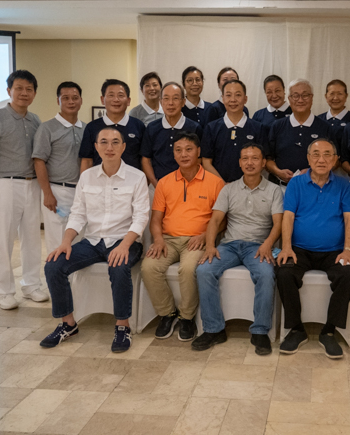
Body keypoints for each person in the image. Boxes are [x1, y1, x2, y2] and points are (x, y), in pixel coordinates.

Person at [40, 127, 149, 352]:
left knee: (118, 265)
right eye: (104, 142)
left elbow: (141, 217)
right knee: (54, 265)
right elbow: (78, 214)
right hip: (92, 241)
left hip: (125, 240)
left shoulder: (137, 177)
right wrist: (66, 241)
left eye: (115, 142)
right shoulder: (87, 177)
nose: (110, 147)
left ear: (123, 147)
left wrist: (125, 245)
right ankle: (67, 323)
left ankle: (122, 327)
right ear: (96, 147)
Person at [193, 143, 283, 355]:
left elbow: (279, 224)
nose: (249, 163)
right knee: (204, 270)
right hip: (230, 245)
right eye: (245, 158)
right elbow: (215, 221)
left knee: (266, 273)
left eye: (254, 158)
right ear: (240, 162)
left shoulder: (274, 190)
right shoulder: (229, 188)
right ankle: (214, 329)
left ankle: (260, 331)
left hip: (258, 246)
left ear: (263, 163)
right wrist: (210, 246)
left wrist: (267, 245)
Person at [277, 138, 350, 359]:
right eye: (316, 154)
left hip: (334, 251)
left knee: (348, 274)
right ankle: (296, 330)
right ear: (308, 158)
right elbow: (288, 217)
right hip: (299, 249)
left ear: (335, 159)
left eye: (327, 154)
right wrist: (285, 247)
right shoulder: (295, 183)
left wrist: (348, 250)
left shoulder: (344, 185)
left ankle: (329, 331)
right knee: (284, 271)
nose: (321, 159)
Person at [141, 133, 225, 341]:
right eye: (178, 150)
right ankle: (167, 313)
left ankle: (187, 318)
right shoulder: (165, 182)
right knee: (149, 267)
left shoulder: (215, 182)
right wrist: (158, 239)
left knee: (188, 269)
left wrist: (205, 236)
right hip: (168, 239)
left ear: (198, 152)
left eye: (189, 149)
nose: (183, 154)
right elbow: (156, 219)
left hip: (197, 240)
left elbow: (222, 220)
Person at [0, 70, 47, 310]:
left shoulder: (35, 120)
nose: (24, 93)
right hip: (6, 183)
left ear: (34, 93)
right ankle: (4, 290)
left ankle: (31, 285)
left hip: (32, 184)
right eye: (19, 88)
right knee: (3, 238)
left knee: (31, 237)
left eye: (29, 89)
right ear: (9, 91)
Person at [32, 81, 85, 253]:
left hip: (81, 192)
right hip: (57, 191)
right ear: (58, 101)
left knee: (79, 239)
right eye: (66, 98)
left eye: (75, 98)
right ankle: (55, 279)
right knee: (57, 241)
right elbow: (38, 161)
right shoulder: (47, 128)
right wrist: (47, 193)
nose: (71, 102)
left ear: (81, 100)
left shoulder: (86, 128)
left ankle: (75, 281)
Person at [266, 79, 332, 186]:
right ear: (289, 99)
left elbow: (334, 160)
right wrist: (278, 172)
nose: (300, 100)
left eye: (305, 95)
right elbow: (267, 159)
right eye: (295, 96)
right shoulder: (277, 126)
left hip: (315, 187)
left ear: (312, 98)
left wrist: (313, 171)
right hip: (280, 187)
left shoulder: (325, 127)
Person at [201, 80, 265, 182]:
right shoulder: (211, 128)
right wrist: (222, 185)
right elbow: (206, 162)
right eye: (228, 95)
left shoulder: (258, 128)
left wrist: (243, 186)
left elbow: (262, 162)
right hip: (219, 188)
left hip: (249, 187)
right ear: (223, 98)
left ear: (245, 99)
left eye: (238, 95)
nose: (233, 100)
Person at [141, 82, 202, 187]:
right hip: (158, 185)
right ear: (161, 102)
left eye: (175, 98)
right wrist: (157, 184)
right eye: (166, 98)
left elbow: (199, 158)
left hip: (188, 185)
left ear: (183, 102)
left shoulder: (194, 127)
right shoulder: (152, 128)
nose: (170, 103)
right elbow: (145, 160)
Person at [79, 79, 145, 171]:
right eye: (111, 95)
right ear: (102, 100)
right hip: (99, 183)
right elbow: (87, 160)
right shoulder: (92, 127)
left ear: (128, 100)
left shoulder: (138, 126)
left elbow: (145, 160)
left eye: (120, 95)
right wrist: (85, 184)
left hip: (131, 183)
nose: (116, 99)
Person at [317, 79, 350, 150]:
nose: (335, 98)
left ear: (346, 96)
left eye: (340, 94)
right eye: (332, 94)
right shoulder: (318, 120)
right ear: (326, 96)